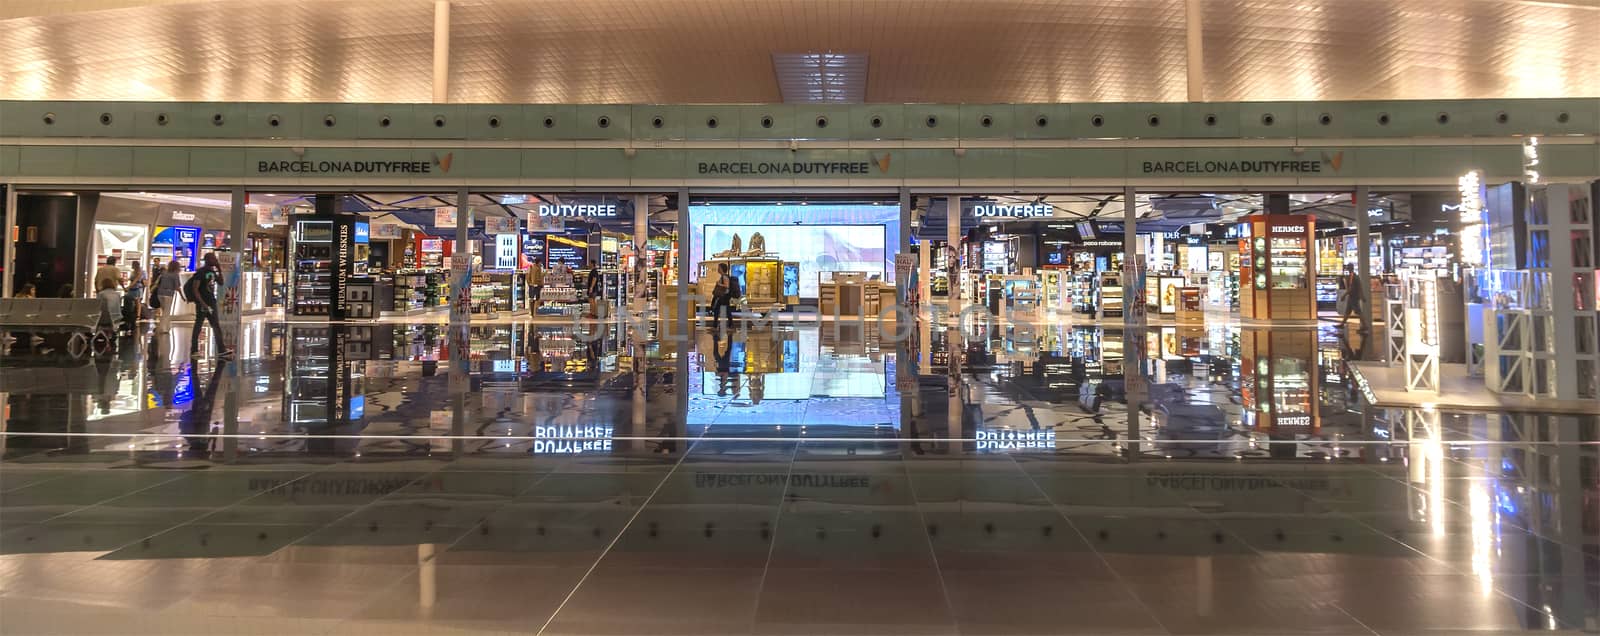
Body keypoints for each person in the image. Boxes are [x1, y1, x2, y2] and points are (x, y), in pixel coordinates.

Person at [188, 253, 231, 358]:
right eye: (213, 258)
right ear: (208, 260)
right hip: (203, 303)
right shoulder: (201, 272)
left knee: (216, 325)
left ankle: (221, 349)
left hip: (211, 302)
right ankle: (194, 350)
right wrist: (202, 303)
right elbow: (195, 289)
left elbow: (221, 282)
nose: (215, 260)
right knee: (198, 325)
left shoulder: (212, 272)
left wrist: (219, 269)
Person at [153, 260, 182, 334]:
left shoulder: (164, 273)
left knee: (164, 310)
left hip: (160, 293)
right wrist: (182, 296)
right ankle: (163, 328)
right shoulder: (175, 275)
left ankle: (167, 326)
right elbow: (177, 287)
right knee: (167, 311)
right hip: (168, 294)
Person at [708, 261, 739, 331]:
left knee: (718, 310)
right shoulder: (723, 276)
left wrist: (719, 284)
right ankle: (725, 326)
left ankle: (717, 326)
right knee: (724, 311)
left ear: (722, 269)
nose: (718, 269)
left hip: (723, 297)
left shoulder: (724, 277)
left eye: (719, 268)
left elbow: (727, 286)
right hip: (724, 297)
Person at [1339, 264, 1367, 332]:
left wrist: (1344, 295)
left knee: (1358, 312)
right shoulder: (1354, 276)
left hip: (1353, 297)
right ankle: (1342, 324)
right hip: (1352, 296)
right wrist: (1362, 296)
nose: (1347, 269)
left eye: (1347, 267)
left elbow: (1350, 289)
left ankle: (1365, 326)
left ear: (1350, 268)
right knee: (1348, 311)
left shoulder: (1352, 276)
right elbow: (1359, 286)